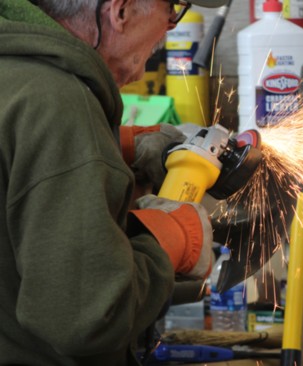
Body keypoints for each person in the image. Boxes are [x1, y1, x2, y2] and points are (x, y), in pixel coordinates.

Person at [0, 0, 227, 364]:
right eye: (173, 7)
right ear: (119, 11)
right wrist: (170, 240)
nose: (171, 25)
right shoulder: (59, 102)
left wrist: (113, 145)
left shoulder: (15, 74)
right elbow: (87, 317)